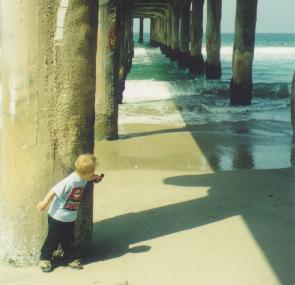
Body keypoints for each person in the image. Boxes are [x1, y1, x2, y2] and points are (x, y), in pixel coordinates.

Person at [36, 153, 104, 272]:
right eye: (92, 173)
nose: (93, 174)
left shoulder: (84, 178)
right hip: (57, 216)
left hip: (70, 217)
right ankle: (45, 258)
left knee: (69, 240)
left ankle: (70, 258)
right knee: (53, 239)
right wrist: (44, 202)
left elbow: (90, 178)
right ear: (85, 174)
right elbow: (54, 190)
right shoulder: (70, 181)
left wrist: (96, 178)